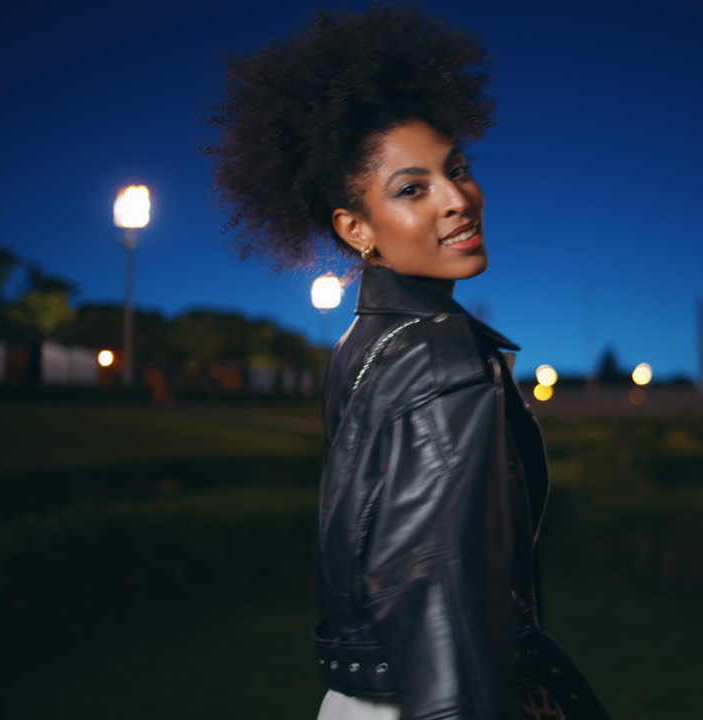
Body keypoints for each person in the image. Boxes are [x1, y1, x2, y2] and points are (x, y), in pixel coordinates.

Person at [206, 8, 610, 719]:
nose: (458, 200)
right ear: (356, 229)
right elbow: (443, 602)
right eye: (411, 188)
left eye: (457, 170)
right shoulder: (442, 359)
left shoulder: (362, 347)